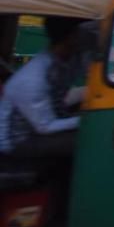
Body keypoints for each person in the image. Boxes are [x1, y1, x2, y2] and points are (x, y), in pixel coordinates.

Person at [0, 17, 85, 158]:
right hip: (17, 144)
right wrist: (86, 120)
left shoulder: (67, 60)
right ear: (72, 37)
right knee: (87, 141)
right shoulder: (32, 78)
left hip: (41, 126)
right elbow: (45, 127)